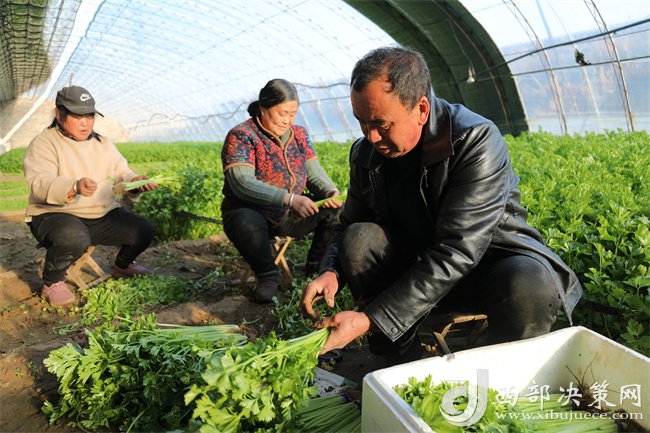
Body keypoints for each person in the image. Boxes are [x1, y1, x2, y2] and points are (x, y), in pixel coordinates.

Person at [300, 46, 583, 365]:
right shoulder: (366, 153)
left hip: (485, 268)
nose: (371, 136)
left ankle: (505, 370)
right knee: (359, 238)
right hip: (417, 266)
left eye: (382, 124)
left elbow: (458, 249)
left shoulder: (473, 140)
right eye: (362, 122)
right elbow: (349, 221)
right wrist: (331, 271)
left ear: (421, 109)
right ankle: (398, 355)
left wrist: (369, 318)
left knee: (530, 283)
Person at [23, 85, 157, 307]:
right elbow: (39, 182)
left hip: (100, 214)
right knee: (74, 236)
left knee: (144, 230)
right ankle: (52, 282)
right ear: (59, 114)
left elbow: (122, 173)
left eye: (90, 116)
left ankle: (123, 266)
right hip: (55, 215)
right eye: (77, 116)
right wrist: (74, 186)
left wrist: (135, 182)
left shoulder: (103, 144)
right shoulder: (44, 143)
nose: (85, 123)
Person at [221, 78, 342, 303]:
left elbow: (314, 172)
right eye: (282, 113)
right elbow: (241, 182)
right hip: (252, 216)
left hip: (288, 216)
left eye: (292, 114)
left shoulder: (299, 135)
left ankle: (315, 268)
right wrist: (289, 198)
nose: (287, 120)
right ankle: (268, 276)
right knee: (243, 219)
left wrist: (330, 191)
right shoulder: (242, 135)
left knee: (335, 211)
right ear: (263, 108)